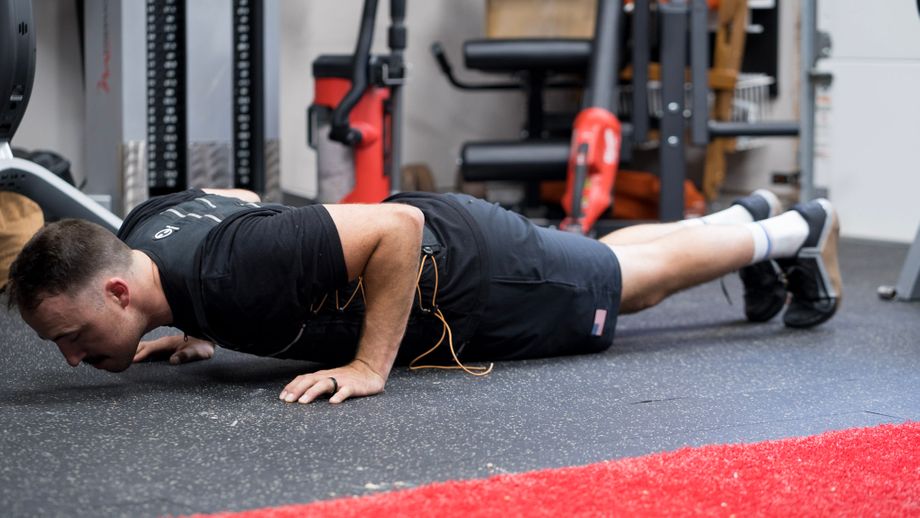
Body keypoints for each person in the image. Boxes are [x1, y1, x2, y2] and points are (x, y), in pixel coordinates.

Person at [5, 188, 841, 405]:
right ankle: (745, 216)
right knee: (595, 259)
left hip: (461, 272)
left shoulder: (228, 272)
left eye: (72, 335)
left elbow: (394, 230)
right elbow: (238, 207)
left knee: (627, 287)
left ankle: (798, 231)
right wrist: (189, 324)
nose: (74, 355)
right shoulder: (150, 232)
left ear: (116, 288)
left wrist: (372, 364)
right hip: (457, 241)